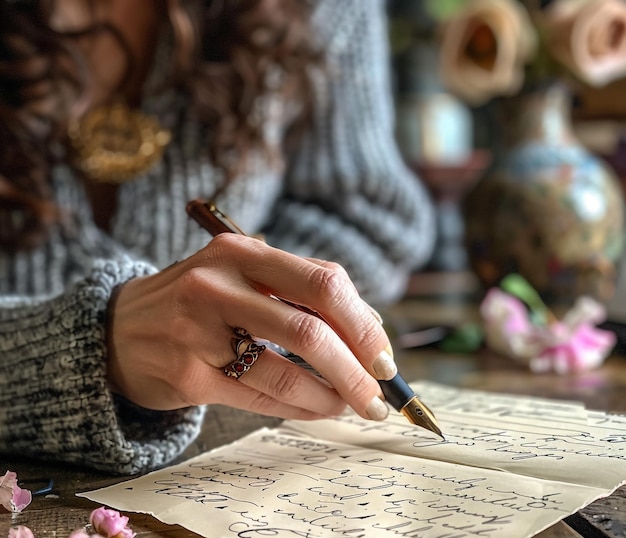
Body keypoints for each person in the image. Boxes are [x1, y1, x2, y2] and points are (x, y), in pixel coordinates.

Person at [0, 0, 435, 474]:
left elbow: (368, 223)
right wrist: (87, 352)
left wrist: (262, 298)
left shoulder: (327, 8)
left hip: (229, 453)